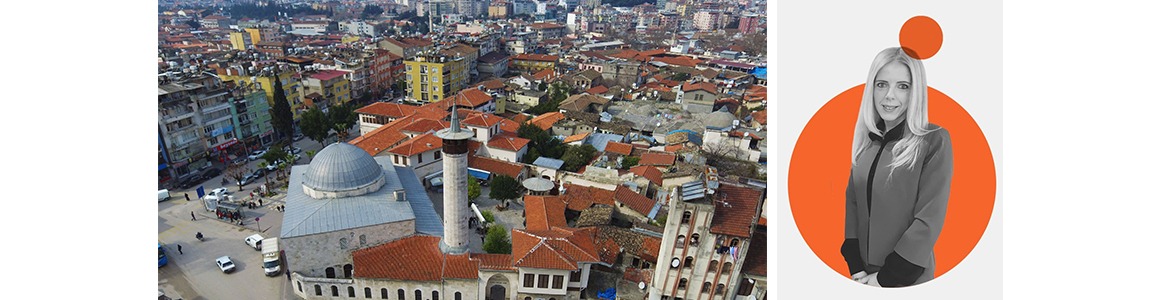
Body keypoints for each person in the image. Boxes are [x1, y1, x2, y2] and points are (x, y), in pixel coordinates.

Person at [840, 47, 953, 288]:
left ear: (916, 92)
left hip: (907, 279)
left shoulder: (933, 140)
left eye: (903, 86)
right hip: (862, 278)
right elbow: (853, 202)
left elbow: (929, 219)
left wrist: (885, 279)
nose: (889, 95)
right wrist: (856, 267)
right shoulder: (865, 141)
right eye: (881, 84)